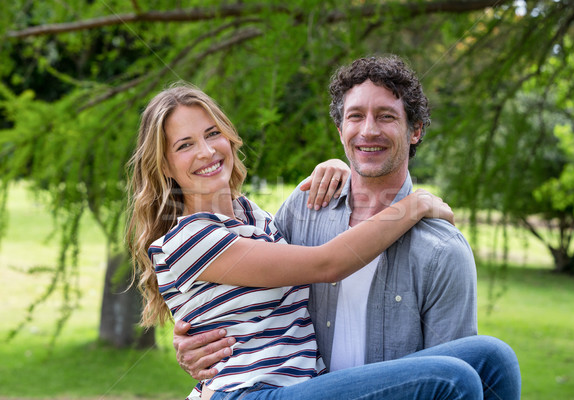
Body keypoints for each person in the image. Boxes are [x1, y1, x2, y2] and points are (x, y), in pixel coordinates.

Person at [127, 83, 515, 400]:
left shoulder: (256, 217)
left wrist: (337, 166)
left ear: (230, 137)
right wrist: (414, 205)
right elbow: (327, 263)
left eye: (213, 134)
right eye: (185, 145)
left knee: (494, 357)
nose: (207, 151)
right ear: (164, 165)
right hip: (254, 394)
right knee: (450, 381)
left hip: (304, 386)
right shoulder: (190, 239)